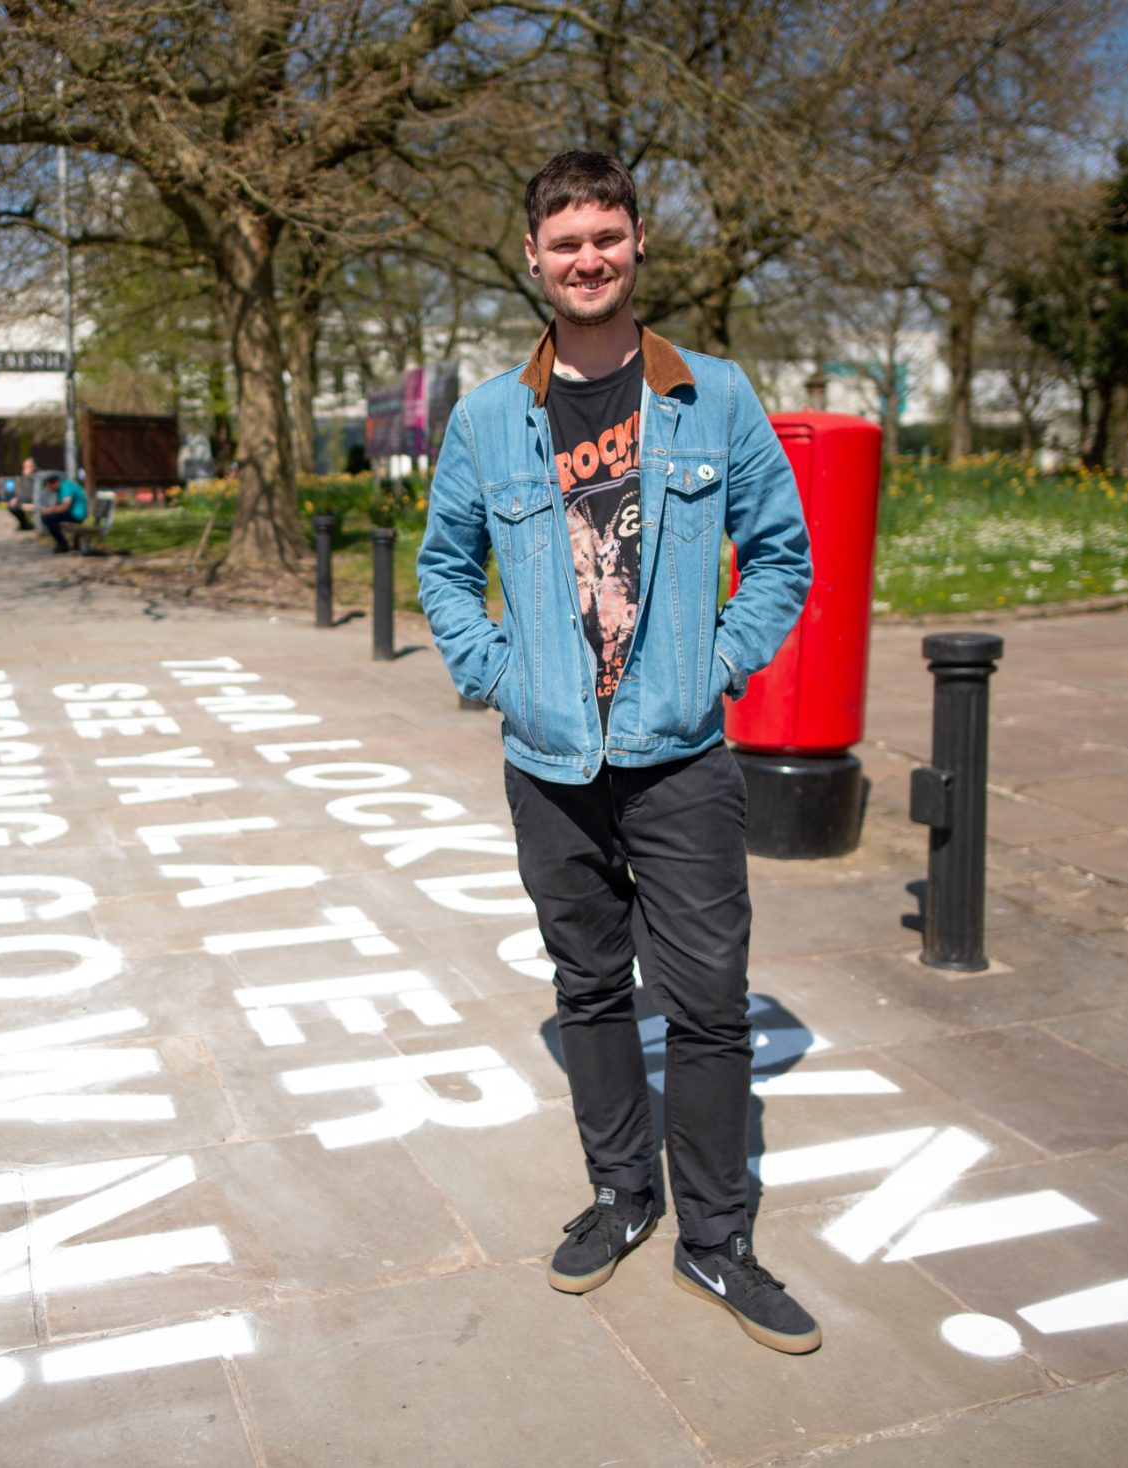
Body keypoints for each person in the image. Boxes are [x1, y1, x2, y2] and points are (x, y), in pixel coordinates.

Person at [417, 151, 819, 1354]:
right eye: (564, 241)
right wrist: (495, 676)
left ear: (637, 244)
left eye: (606, 236)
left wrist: (717, 660)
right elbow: (444, 565)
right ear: (533, 259)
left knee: (704, 1005)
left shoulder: (716, 398)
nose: (586, 257)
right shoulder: (490, 416)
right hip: (550, 765)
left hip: (681, 755)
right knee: (588, 986)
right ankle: (619, 1195)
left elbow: (783, 554)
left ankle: (716, 1238)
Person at [40, 468, 89, 553]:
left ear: (55, 482)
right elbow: (58, 505)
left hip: (77, 514)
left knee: (48, 518)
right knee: (49, 517)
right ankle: (62, 543)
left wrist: (49, 510)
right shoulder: (64, 487)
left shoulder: (65, 486)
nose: (50, 489)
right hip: (75, 513)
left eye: (50, 486)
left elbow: (65, 506)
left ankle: (62, 544)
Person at [9, 457, 37, 531]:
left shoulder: (37, 476)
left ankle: (26, 525)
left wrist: (29, 476)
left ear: (33, 466)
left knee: (19, 506)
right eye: (24, 467)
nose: (25, 469)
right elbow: (22, 491)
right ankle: (24, 524)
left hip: (34, 501)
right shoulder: (24, 477)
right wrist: (16, 498)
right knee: (12, 507)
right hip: (23, 500)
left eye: (27, 466)